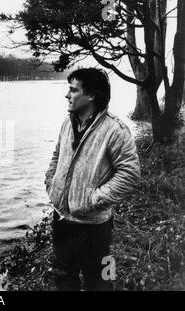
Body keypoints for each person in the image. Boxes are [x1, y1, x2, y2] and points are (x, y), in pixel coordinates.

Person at [44, 68, 141, 291]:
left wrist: (93, 199)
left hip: (94, 227)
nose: (67, 95)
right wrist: (51, 183)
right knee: (63, 278)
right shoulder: (67, 124)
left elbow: (130, 174)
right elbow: (57, 156)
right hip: (61, 220)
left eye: (73, 90)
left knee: (101, 281)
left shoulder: (115, 129)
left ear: (91, 95)